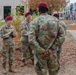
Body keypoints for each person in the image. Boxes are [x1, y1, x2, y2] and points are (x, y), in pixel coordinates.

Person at [29, 2, 65, 75]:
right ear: (47, 10)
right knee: (54, 72)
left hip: (40, 55)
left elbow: (31, 39)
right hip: (52, 53)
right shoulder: (55, 20)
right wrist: (52, 48)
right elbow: (62, 35)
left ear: (39, 10)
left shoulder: (35, 21)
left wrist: (42, 51)